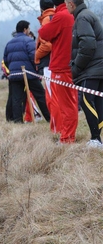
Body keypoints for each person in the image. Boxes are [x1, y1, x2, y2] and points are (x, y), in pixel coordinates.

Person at [39, 0, 77, 144]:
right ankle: (66, 136)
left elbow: (44, 33)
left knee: (65, 105)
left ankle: (67, 138)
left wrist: (47, 18)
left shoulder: (61, 16)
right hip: (66, 65)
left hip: (61, 66)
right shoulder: (68, 15)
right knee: (67, 103)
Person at [66, 0, 103, 148]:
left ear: (71, 3)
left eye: (66, 3)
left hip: (91, 68)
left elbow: (87, 45)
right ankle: (97, 138)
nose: (66, 6)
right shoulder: (87, 15)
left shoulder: (82, 18)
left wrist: (76, 67)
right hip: (98, 67)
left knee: (87, 101)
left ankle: (95, 138)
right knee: (99, 102)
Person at [3, 20, 51, 124]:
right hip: (29, 73)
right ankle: (50, 118)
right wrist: (36, 70)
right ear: (25, 29)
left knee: (16, 98)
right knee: (40, 95)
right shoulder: (29, 41)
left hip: (15, 75)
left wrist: (12, 70)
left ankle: (17, 122)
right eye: (28, 29)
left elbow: (6, 60)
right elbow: (34, 57)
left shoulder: (9, 43)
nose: (29, 31)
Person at [35, 0, 59, 133]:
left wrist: (37, 55)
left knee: (52, 97)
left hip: (49, 63)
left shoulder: (46, 19)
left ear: (41, 8)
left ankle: (56, 128)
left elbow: (47, 45)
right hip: (57, 62)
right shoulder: (56, 16)